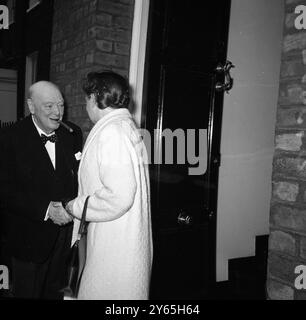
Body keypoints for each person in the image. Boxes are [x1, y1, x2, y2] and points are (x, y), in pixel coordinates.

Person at [65, 71, 153, 300]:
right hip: (122, 241)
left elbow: (120, 196)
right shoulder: (126, 127)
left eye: (87, 99)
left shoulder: (112, 132)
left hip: (115, 244)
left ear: (96, 97)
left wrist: (75, 206)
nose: (86, 105)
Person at [0, 81, 83, 299]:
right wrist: (46, 209)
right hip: (27, 239)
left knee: (56, 293)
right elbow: (4, 190)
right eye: (49, 106)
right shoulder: (8, 138)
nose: (58, 112)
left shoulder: (72, 133)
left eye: (61, 105)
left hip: (64, 237)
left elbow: (76, 179)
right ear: (31, 106)